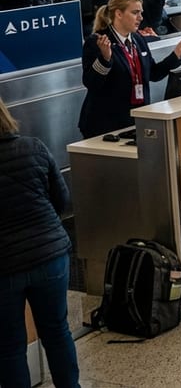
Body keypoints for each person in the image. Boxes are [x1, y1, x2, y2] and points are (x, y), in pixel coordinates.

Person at [0, 98, 79, 388]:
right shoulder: (34, 147)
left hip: (5, 265)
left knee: (9, 346)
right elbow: (62, 200)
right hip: (51, 255)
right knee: (57, 332)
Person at [78, 0, 181, 137]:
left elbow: (153, 73)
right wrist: (105, 59)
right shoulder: (98, 41)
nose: (140, 18)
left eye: (141, 13)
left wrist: (176, 55)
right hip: (106, 124)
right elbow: (91, 83)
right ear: (119, 14)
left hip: (135, 118)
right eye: (135, 13)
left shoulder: (138, 39)